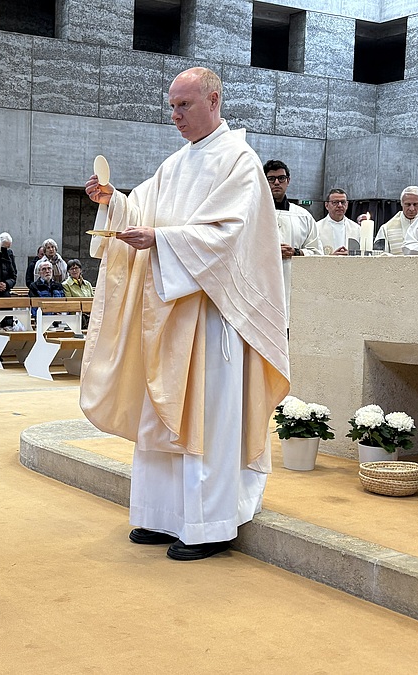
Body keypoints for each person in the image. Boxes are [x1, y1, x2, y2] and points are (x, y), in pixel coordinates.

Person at [82, 67, 289, 561]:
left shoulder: (239, 161)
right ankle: (161, 515)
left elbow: (230, 235)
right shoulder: (176, 164)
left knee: (208, 414)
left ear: (213, 100)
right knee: (161, 411)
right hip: (169, 312)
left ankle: (210, 524)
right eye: (172, 106)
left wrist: (164, 240)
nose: (174, 116)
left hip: (214, 313)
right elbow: (144, 213)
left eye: (184, 106)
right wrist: (114, 203)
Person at [263, 159, 322, 325]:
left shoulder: (303, 216)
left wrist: (296, 252)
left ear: (288, 181)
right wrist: (269, 251)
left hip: (293, 285)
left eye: (281, 178)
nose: (276, 182)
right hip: (262, 282)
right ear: (263, 180)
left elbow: (317, 251)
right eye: (271, 178)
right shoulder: (252, 212)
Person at [375, 186, 418, 255]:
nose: (412, 208)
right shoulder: (386, 228)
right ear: (401, 203)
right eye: (408, 204)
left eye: (415, 204)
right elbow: (380, 256)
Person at [316, 189, 359, 255]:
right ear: (326, 205)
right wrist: (331, 258)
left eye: (343, 202)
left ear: (347, 204)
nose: (340, 205)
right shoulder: (316, 228)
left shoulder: (356, 228)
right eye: (335, 202)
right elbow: (313, 254)